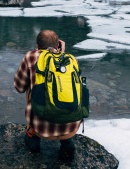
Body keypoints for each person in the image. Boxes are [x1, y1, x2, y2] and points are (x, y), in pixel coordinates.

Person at [14, 29, 81, 162]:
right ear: (58, 45)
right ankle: (67, 143)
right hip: (71, 126)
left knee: (34, 89)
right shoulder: (72, 60)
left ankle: (33, 142)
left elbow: (19, 87)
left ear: (38, 47)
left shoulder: (31, 57)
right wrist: (61, 53)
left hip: (40, 128)